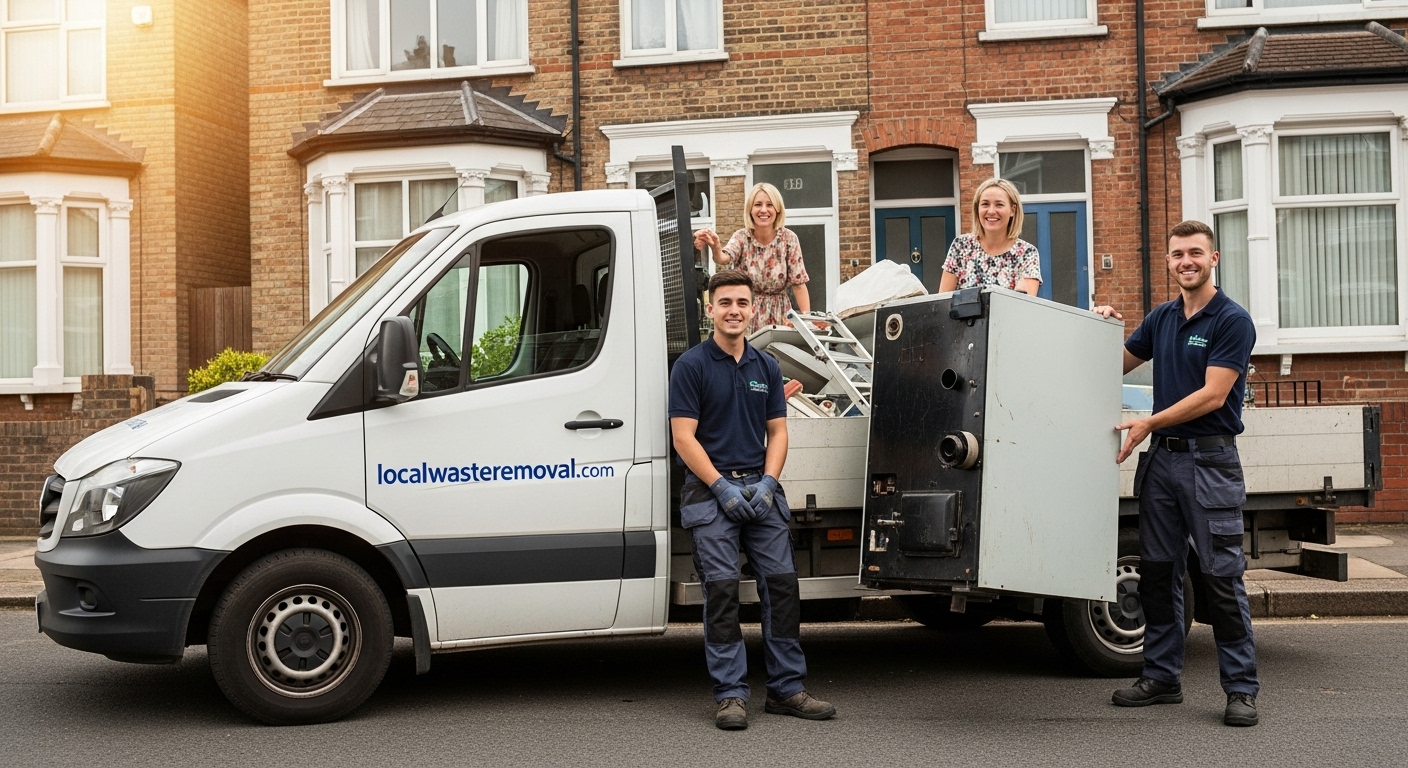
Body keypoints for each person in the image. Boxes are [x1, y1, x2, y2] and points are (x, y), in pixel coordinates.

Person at [1093, 219, 1260, 728]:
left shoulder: (1232, 320)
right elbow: (1109, 365)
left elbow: (1213, 395)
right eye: (1176, 254)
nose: (1185, 261)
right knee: (1159, 575)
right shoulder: (1162, 318)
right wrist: (1097, 326)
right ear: (1167, 262)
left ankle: (1241, 688)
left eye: (1195, 253)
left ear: (1214, 259)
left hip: (1209, 462)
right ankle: (1162, 678)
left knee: (1221, 576)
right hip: (1161, 465)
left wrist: (1148, 421)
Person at [668, 269, 835, 731]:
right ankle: (730, 695)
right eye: (725, 303)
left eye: (742, 303)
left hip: (759, 491)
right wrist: (721, 486)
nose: (734, 311)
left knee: (781, 588)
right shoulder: (691, 366)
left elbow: (778, 431)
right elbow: (683, 438)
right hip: (710, 493)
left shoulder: (765, 367)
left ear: (752, 308)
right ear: (710, 308)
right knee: (721, 593)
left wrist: (767, 482)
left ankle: (786, 689)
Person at [692, 183, 810, 333]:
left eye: (769, 205)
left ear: (777, 209)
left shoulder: (789, 239)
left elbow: (798, 284)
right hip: (747, 310)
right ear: (750, 210)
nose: (763, 210)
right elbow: (723, 258)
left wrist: (807, 321)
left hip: (781, 314)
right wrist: (715, 246)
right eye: (758, 205)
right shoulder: (742, 237)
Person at [939, 178, 1042, 296]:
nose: (991, 211)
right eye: (985, 204)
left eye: (999, 204)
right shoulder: (961, 246)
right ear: (977, 209)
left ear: (1012, 210)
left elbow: (1023, 305)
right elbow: (943, 301)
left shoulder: (1027, 253)